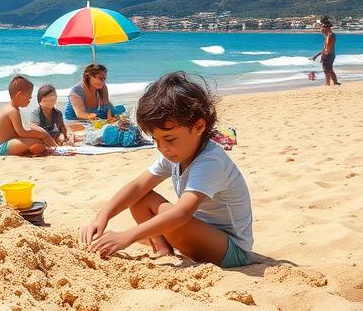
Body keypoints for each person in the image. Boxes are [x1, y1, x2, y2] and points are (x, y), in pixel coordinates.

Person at [79, 72, 253, 268]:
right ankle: (164, 251)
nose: (162, 147)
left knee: (174, 217)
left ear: (199, 126)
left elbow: (182, 213)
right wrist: (102, 216)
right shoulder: (177, 153)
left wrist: (127, 236)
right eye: (156, 140)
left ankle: (164, 245)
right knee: (141, 198)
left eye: (169, 139)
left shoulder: (210, 161)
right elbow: (137, 186)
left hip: (231, 251)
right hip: (199, 233)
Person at [0, 75, 56, 156]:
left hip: (3, 144)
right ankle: (30, 151)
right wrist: (42, 135)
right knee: (38, 142)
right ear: (19, 95)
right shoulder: (13, 111)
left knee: (37, 141)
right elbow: (22, 133)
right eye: (29, 97)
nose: (30, 100)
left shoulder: (8, 107)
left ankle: (27, 151)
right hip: (0, 148)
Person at [310, 16, 340, 86]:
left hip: (329, 54)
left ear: (327, 28)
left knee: (327, 69)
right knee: (328, 69)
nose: (320, 29)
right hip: (330, 54)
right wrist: (316, 56)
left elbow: (328, 48)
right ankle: (334, 82)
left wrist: (324, 56)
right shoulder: (328, 35)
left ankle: (328, 84)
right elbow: (325, 48)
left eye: (322, 28)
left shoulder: (330, 35)